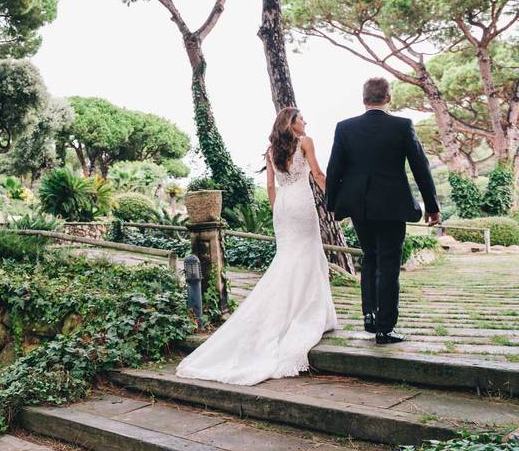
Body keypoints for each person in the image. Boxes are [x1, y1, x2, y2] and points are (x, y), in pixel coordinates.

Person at [176, 107, 337, 385]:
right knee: (307, 254)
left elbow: (271, 187)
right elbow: (318, 174)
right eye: (302, 118)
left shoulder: (271, 150)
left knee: (288, 258)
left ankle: (294, 308)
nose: (306, 122)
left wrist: (278, 212)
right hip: (300, 202)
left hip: (284, 206)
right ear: (291, 123)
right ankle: (309, 312)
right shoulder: (305, 143)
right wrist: (335, 200)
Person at [326, 77, 440, 344]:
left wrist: (334, 207)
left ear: (364, 99)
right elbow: (420, 167)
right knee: (388, 264)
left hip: (360, 207)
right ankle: (385, 329)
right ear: (388, 98)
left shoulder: (345, 127)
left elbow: (334, 170)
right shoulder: (402, 126)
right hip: (392, 206)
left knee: (370, 258)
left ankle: (370, 317)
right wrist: (431, 206)